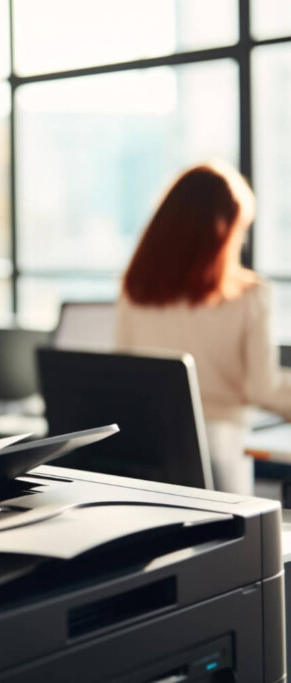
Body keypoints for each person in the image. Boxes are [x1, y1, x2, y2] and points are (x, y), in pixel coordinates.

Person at [116, 161, 291, 495]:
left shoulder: (135, 287)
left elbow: (126, 370)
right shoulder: (249, 294)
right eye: (241, 230)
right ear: (223, 230)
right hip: (220, 451)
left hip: (150, 448)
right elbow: (262, 389)